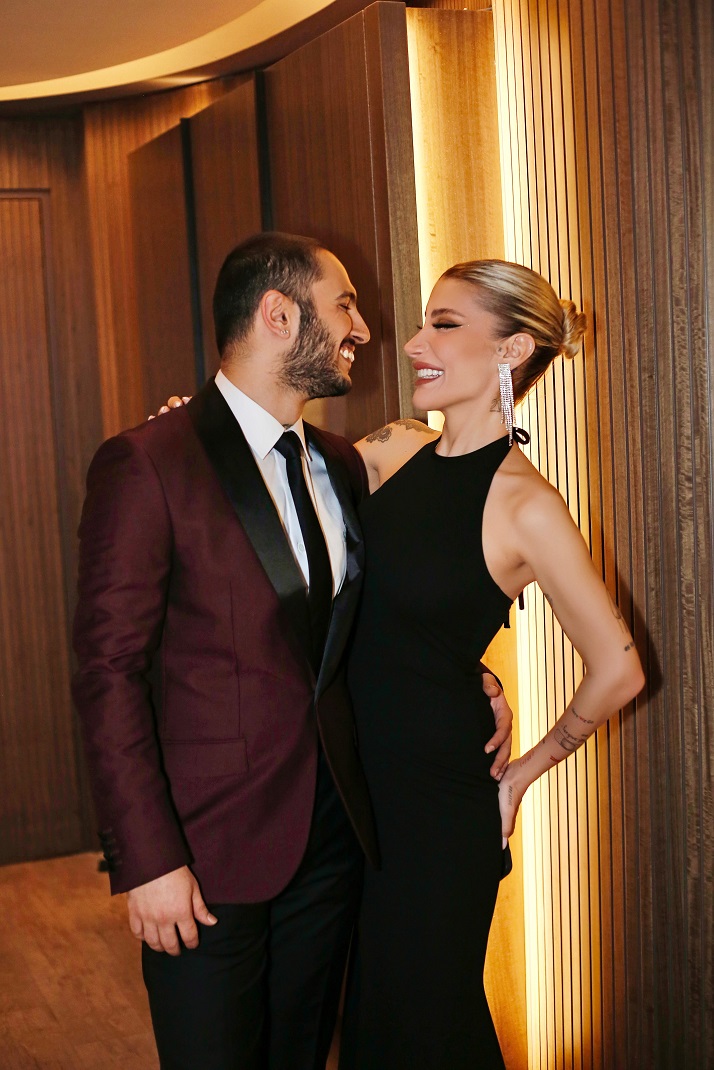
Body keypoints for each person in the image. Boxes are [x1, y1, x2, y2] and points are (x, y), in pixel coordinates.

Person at [72, 232, 512, 1070]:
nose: (364, 330)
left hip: (332, 841)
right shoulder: (149, 462)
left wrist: (466, 677)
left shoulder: (341, 464)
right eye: (344, 305)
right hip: (204, 856)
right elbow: (108, 674)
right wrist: (149, 860)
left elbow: (353, 628)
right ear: (278, 315)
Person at [334, 259, 645, 1068]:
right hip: (354, 790)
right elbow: (278, 485)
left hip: (439, 810)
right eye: (423, 323)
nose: (413, 344)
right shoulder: (393, 449)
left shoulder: (527, 505)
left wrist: (521, 775)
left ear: (512, 351)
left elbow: (619, 668)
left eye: (443, 325)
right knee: (373, 1022)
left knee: (427, 1028)